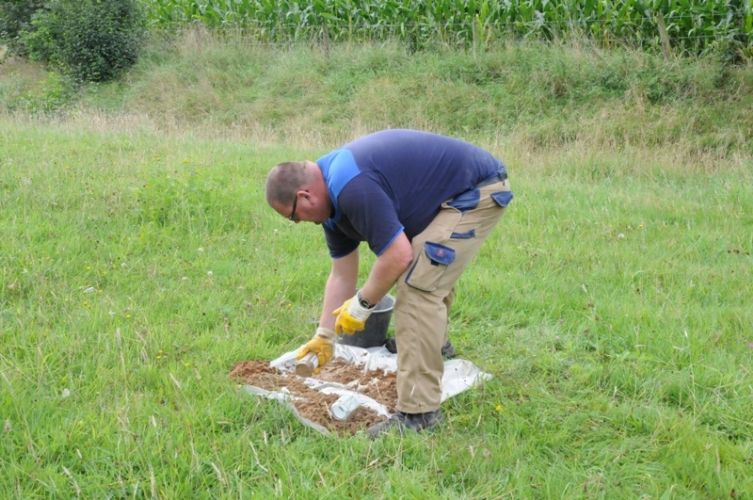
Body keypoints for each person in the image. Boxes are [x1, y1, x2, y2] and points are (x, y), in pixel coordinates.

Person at [265, 129, 513, 437]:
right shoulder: (331, 206)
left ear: (305, 196)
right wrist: (324, 335)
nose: (299, 222)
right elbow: (341, 273)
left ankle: (420, 414)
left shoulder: (352, 187)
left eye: (293, 217)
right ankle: (435, 345)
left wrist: (362, 305)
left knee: (418, 287)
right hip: (450, 190)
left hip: (476, 190)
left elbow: (397, 256)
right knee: (426, 269)